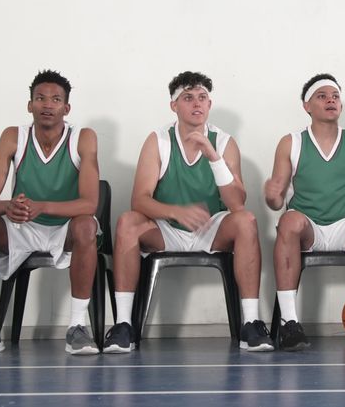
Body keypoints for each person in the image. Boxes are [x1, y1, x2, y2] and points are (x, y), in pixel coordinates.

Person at [104, 71, 273, 353]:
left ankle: (251, 323)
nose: (197, 103)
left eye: (202, 98)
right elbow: (140, 200)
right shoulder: (158, 140)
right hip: (167, 228)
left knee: (247, 221)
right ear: (174, 105)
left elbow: (237, 204)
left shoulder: (224, 142)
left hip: (211, 228)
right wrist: (175, 212)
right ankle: (123, 325)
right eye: (188, 98)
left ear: (209, 104)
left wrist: (214, 157)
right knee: (127, 222)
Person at [0, 69, 101, 356]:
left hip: (64, 228)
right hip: (23, 227)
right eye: (40, 98)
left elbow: (89, 204)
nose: (47, 104)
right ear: (30, 105)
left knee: (87, 225)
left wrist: (43, 206)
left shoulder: (83, 138)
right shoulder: (13, 136)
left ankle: (78, 326)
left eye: (55, 99)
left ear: (67, 108)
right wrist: (7, 206)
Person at [264, 73, 345, 351]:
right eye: (322, 96)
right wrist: (272, 197)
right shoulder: (291, 142)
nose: (330, 101)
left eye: (335, 96)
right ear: (307, 105)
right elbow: (277, 203)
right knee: (288, 220)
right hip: (307, 226)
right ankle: (289, 324)